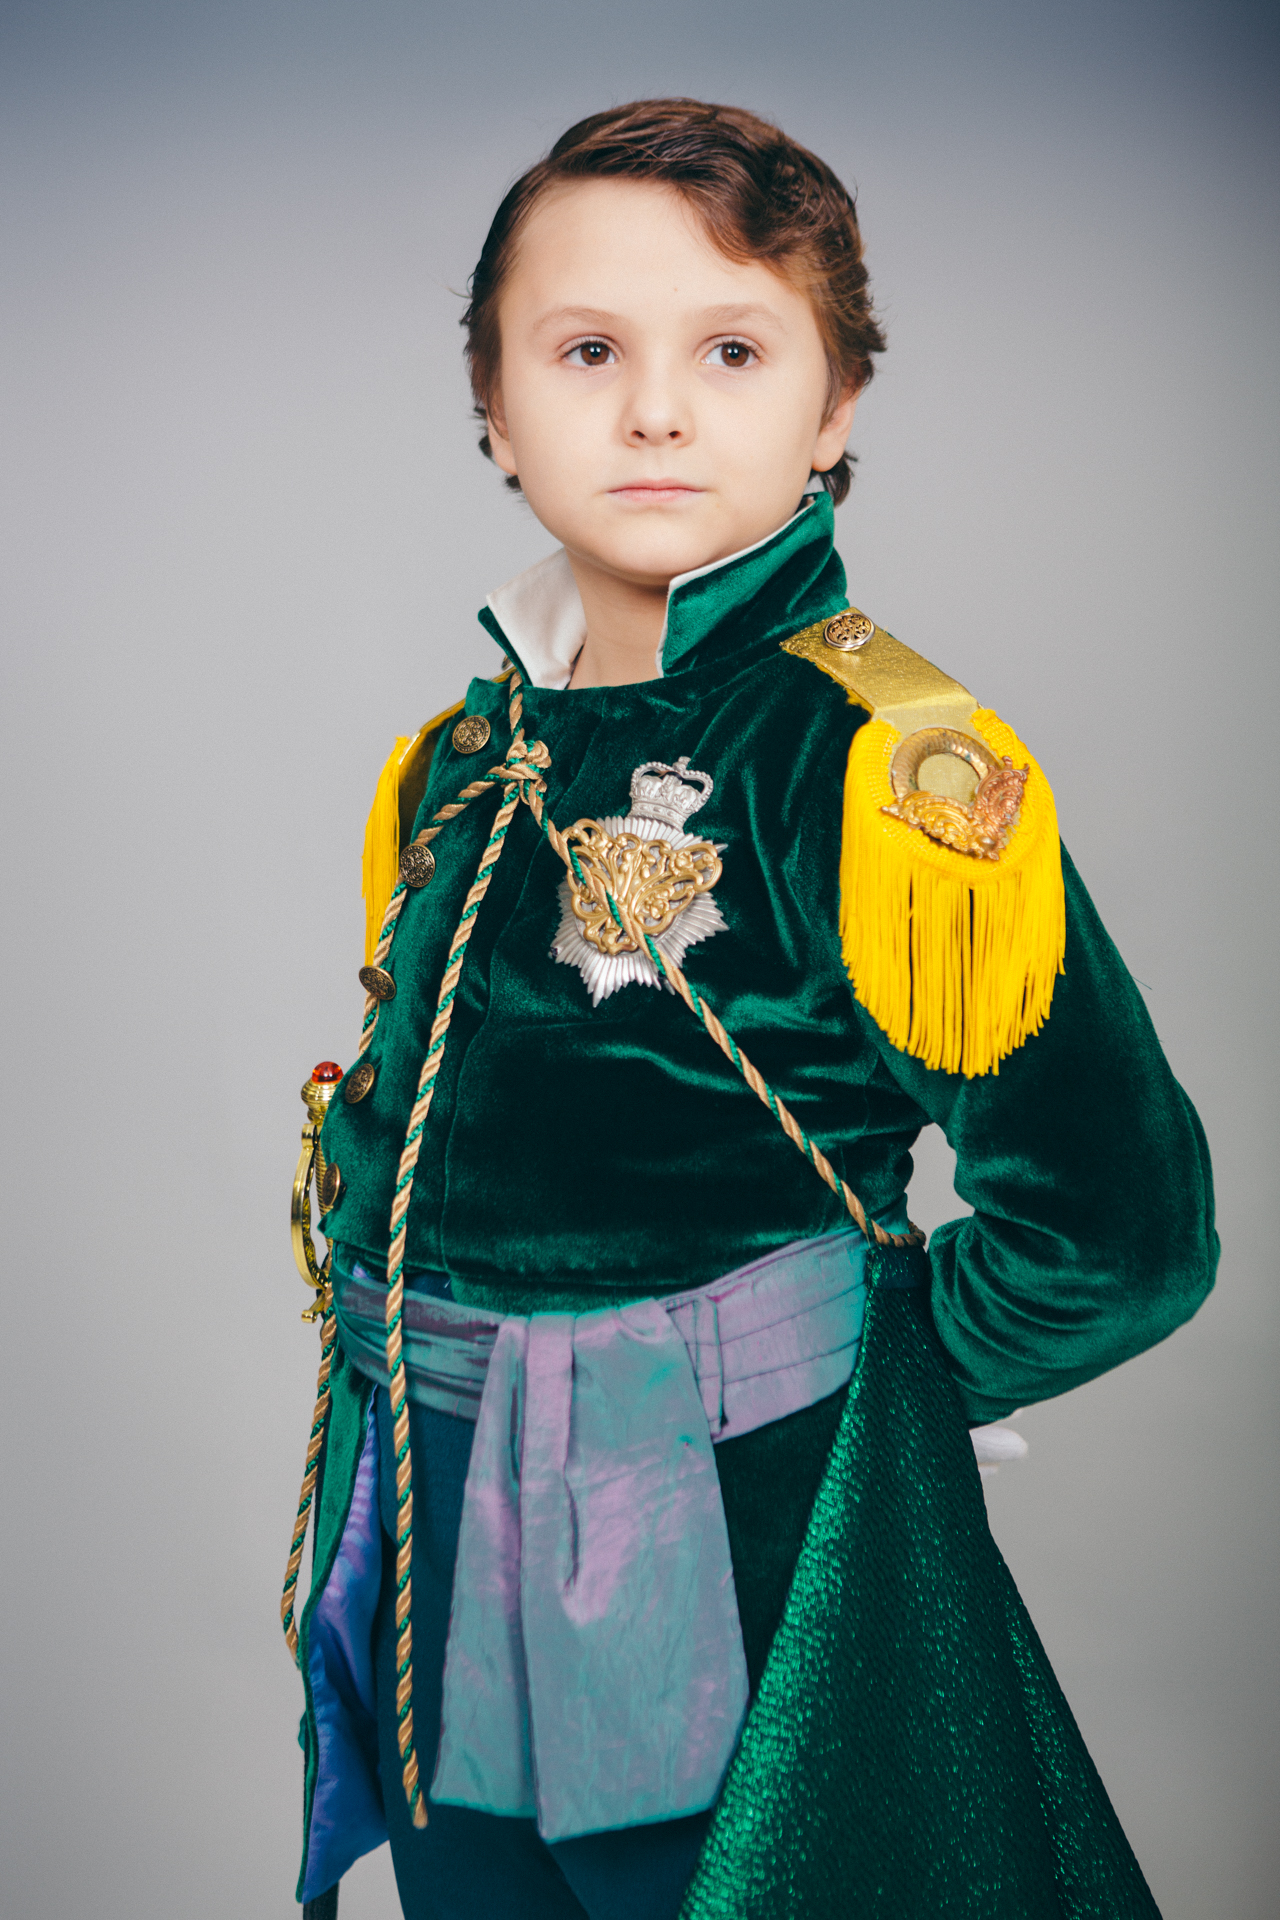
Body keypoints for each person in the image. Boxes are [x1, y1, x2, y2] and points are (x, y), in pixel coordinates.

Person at [281, 99, 1217, 1920]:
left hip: (716, 1526)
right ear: (491, 402)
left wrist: (848, 1404)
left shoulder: (887, 765)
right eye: (585, 352)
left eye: (730, 349)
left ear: (835, 404)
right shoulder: (455, 764)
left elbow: (1120, 1231)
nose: (654, 411)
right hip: (434, 1496)